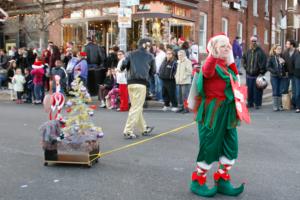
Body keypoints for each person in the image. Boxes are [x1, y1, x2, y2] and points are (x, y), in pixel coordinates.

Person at [190, 34, 244, 197]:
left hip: (228, 112)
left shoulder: (228, 67)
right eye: (223, 46)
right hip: (212, 112)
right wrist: (213, 56)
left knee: (231, 145)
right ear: (213, 49)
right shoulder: (211, 64)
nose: (227, 48)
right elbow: (206, 72)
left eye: (228, 45)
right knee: (209, 146)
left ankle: (222, 179)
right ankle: (198, 181)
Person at [121, 38, 156, 139]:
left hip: (130, 83)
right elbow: (153, 71)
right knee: (136, 107)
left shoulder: (130, 54)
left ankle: (144, 128)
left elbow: (123, 65)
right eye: (149, 46)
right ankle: (128, 130)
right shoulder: (150, 56)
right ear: (146, 45)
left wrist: (123, 69)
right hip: (141, 83)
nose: (150, 48)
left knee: (136, 106)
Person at [242, 36, 267, 109]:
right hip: (249, 74)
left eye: (255, 41)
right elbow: (243, 59)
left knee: (258, 90)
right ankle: (250, 103)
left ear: (257, 42)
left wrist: (262, 71)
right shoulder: (248, 51)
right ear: (250, 42)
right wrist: (246, 67)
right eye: (252, 41)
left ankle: (257, 103)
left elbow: (264, 62)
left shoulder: (261, 52)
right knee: (249, 90)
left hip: (258, 75)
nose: (253, 42)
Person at [267, 44, 285, 111]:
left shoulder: (282, 57)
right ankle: (275, 106)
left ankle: (280, 105)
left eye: (280, 49)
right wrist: (275, 71)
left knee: (280, 90)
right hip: (274, 76)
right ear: (274, 50)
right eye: (278, 49)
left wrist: (283, 64)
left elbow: (284, 68)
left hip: (281, 76)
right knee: (275, 90)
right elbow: (268, 67)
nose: (279, 50)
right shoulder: (271, 57)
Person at [282, 39, 297, 109]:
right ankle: (285, 103)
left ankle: (294, 103)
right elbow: (282, 63)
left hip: (295, 74)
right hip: (287, 73)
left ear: (291, 45)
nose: (286, 45)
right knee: (285, 89)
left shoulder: (297, 52)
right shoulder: (285, 52)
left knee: (295, 89)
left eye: (287, 44)